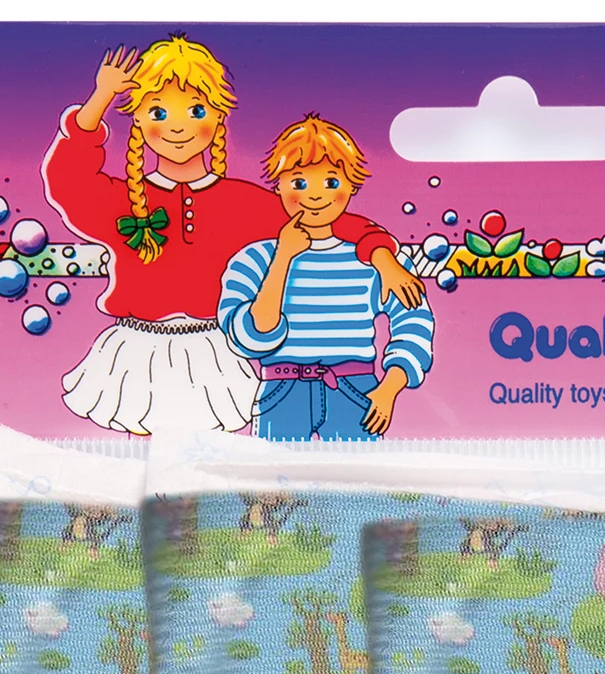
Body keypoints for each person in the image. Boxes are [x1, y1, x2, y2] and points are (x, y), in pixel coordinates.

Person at [42, 40, 422, 437]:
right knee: (139, 454)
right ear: (137, 119)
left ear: (218, 117)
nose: (177, 127)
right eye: (159, 112)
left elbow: (323, 219)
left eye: (196, 111)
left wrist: (382, 257)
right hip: (138, 348)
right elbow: (68, 182)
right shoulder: (120, 200)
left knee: (214, 458)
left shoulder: (246, 204)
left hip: (214, 349)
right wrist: (101, 98)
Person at [218, 115, 435, 442]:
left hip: (355, 390)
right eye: (299, 183)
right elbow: (250, 339)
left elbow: (413, 322)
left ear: (351, 187)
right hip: (281, 390)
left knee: (363, 475)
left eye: (331, 182)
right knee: (270, 475)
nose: (315, 196)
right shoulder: (254, 260)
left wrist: (389, 388)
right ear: (278, 186)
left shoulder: (378, 262)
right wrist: (283, 258)